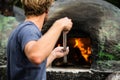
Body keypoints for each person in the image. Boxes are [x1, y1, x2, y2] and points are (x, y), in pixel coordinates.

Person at [6, 0, 72, 80]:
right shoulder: (29, 30)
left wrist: (53, 55)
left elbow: (31, 68)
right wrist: (59, 25)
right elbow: (36, 56)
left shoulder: (21, 29)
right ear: (47, 10)